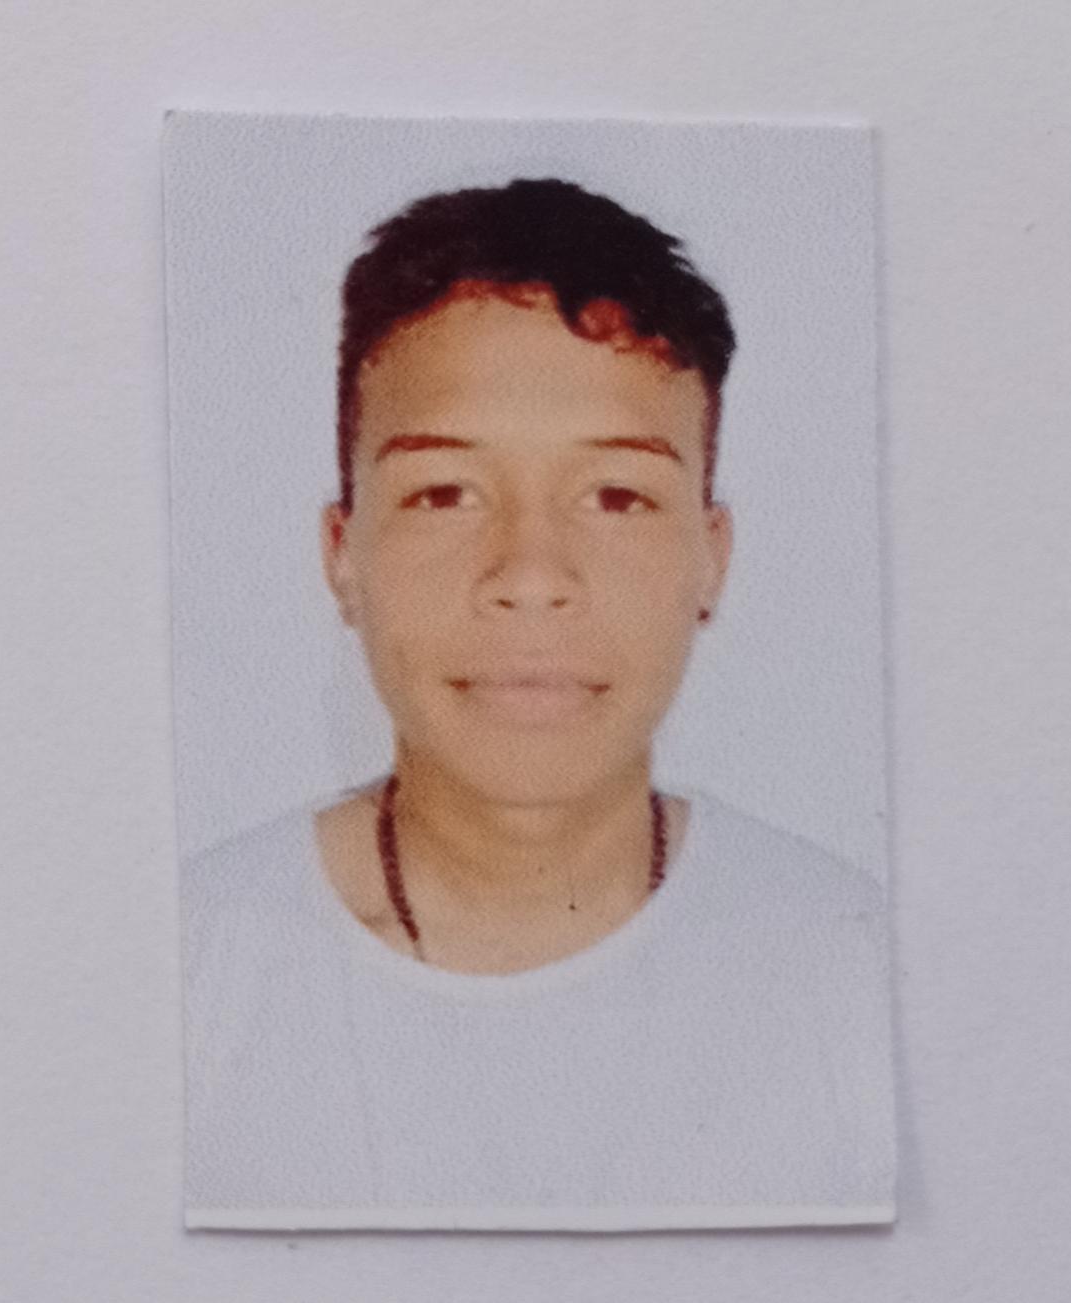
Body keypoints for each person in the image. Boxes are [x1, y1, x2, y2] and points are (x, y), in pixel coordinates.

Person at [183, 178, 894, 1228]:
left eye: (616, 496)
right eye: (443, 493)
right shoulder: (188, 964)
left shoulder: (855, 964)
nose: (528, 574)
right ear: (342, 555)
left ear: (711, 559)